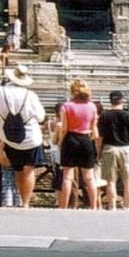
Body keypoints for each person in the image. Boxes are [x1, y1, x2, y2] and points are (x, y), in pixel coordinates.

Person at [0, 64, 46, 208]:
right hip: (31, 138)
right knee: (29, 169)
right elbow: (41, 117)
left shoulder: (1, 92)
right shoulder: (31, 96)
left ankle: (20, 198)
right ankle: (26, 203)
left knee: (17, 169)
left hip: (9, 138)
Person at [57, 79, 99, 210]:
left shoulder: (66, 106)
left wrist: (60, 142)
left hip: (71, 138)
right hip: (86, 138)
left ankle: (63, 206)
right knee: (89, 177)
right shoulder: (92, 106)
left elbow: (64, 127)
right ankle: (94, 206)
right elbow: (94, 127)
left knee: (67, 176)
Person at [98, 91, 129, 211]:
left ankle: (112, 206)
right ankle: (127, 207)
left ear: (110, 101)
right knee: (128, 181)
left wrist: (98, 153)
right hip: (127, 148)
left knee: (110, 181)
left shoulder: (104, 116)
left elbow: (99, 138)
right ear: (122, 100)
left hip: (109, 148)